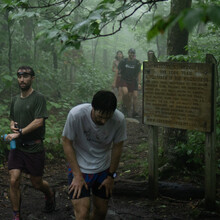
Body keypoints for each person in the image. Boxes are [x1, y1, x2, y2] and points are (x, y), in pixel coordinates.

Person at [62, 90, 127, 220]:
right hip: (80, 168)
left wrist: (111, 176)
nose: (103, 121)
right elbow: (66, 142)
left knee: (101, 212)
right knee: (82, 213)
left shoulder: (119, 120)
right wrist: (77, 175)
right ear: (93, 107)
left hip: (103, 169)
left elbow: (117, 147)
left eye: (107, 117)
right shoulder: (76, 115)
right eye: (100, 116)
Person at [5, 66, 55, 220]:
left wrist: (19, 132)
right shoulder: (14, 100)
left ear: (32, 78)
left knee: (37, 183)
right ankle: (16, 214)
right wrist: (13, 126)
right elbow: (13, 118)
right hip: (18, 147)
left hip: (34, 146)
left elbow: (39, 121)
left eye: (26, 76)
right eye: (19, 76)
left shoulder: (38, 98)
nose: (22, 79)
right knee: (14, 179)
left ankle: (50, 194)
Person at [117, 48, 141, 118]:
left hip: (133, 81)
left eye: (133, 53)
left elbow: (139, 73)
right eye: (131, 53)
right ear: (128, 53)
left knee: (135, 96)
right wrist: (116, 79)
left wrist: (139, 83)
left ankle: (134, 112)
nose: (132, 54)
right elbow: (118, 70)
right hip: (124, 79)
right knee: (125, 93)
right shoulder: (123, 61)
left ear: (134, 54)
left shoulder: (137, 62)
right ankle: (124, 107)